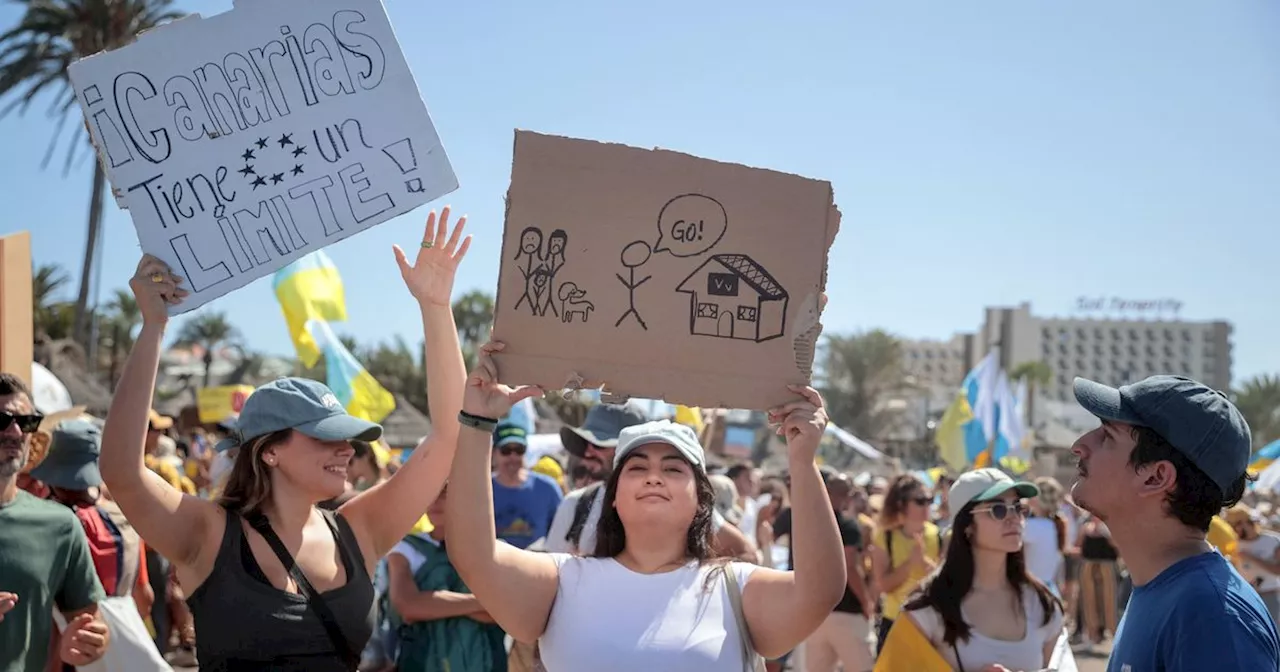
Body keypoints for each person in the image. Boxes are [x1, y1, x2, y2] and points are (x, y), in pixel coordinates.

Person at [97, 209, 472, 671]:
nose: (347, 451)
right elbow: (121, 471)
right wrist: (153, 326)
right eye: (325, 438)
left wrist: (435, 307)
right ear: (269, 450)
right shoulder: (210, 534)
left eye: (349, 439)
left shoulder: (359, 529)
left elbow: (449, 436)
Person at [445, 341, 847, 670]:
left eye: (673, 469)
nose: (654, 475)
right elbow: (473, 555)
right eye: (637, 467)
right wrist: (477, 422)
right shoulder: (562, 579)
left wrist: (802, 460)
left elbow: (820, 590)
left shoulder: (735, 587)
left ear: (701, 502)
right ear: (613, 497)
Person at [1070, 375, 1280, 670]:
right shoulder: (1168, 589)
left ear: (1156, 477)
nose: (1079, 445)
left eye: (1107, 436)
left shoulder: (1212, 618)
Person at [34, 418, 170, 670]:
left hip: (66, 651)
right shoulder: (123, 519)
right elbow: (145, 597)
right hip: (123, 637)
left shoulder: (45, 525)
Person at [900, 468, 1064, 672]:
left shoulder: (1042, 604)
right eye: (998, 509)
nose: (1014, 518)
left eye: (1017, 507)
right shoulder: (928, 607)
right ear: (967, 526)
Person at [544, 404, 757, 561]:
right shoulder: (575, 505)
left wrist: (697, 583)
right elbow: (551, 580)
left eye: (599, 444)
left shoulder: (685, 510)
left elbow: (745, 554)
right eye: (585, 443)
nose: (588, 452)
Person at [0, 373, 112, 671]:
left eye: (25, 422)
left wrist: (92, 641)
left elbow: (90, 621)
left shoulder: (60, 525)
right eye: (1, 420)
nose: (13, 431)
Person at [385, 484, 505, 671]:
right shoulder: (405, 548)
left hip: (484, 661)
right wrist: (482, 603)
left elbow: (504, 613)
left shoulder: (494, 550)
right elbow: (407, 605)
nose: (434, 502)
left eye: (444, 493)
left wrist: (433, 605)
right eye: (430, 494)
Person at [803, 471, 874, 672]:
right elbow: (850, 565)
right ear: (848, 496)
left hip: (816, 612)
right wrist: (866, 601)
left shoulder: (810, 522)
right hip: (847, 611)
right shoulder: (848, 525)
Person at [869, 473, 942, 653]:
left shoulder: (938, 535)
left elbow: (945, 582)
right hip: (895, 620)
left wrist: (923, 561)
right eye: (919, 501)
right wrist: (910, 563)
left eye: (929, 500)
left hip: (930, 622)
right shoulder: (884, 536)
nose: (927, 505)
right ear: (901, 504)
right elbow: (884, 585)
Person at [491, 419, 563, 549]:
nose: (513, 457)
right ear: (494, 453)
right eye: (506, 450)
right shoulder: (482, 489)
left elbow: (562, 533)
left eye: (519, 450)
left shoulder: (548, 488)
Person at [1227, 505, 1280, 624]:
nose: (1238, 528)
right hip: (1247, 597)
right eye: (1235, 525)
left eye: (1241, 523)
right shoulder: (1235, 543)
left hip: (1269, 594)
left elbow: (1278, 570)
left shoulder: (1272, 541)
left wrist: (1252, 558)